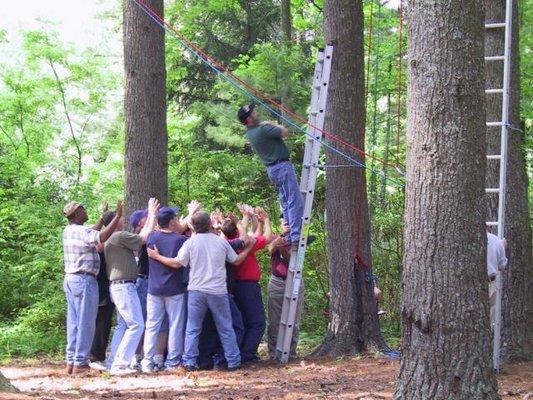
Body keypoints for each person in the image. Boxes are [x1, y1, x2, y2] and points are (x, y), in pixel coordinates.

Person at [148, 211, 254, 371]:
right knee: (225, 326)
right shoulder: (220, 242)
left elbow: (177, 263)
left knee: (192, 328)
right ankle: (233, 361)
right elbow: (236, 260)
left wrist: (157, 257)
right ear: (210, 225)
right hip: (218, 291)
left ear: (193, 226)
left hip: (196, 291)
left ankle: (189, 361)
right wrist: (247, 250)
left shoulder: (190, 243)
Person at [62, 200, 122, 374]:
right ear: (76, 214)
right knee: (86, 322)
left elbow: (92, 231)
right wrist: (116, 217)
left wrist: (103, 218)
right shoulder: (81, 231)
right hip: (84, 281)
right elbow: (100, 237)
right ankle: (80, 363)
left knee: (73, 322)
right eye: (82, 209)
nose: (85, 210)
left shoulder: (69, 230)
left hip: (72, 280)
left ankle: (71, 361)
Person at [105, 198, 159, 375]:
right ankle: (120, 364)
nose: (122, 220)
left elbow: (140, 236)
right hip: (124, 287)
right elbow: (144, 238)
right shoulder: (119, 236)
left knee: (125, 325)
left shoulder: (113, 238)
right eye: (118, 218)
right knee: (136, 325)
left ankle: (115, 361)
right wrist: (151, 213)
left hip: (120, 286)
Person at [237, 103, 304, 247]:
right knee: (293, 200)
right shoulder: (262, 129)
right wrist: (272, 124)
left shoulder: (250, 133)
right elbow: (284, 132)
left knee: (286, 201)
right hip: (282, 166)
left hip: (272, 170)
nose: (256, 112)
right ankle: (296, 235)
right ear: (248, 119)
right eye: (252, 112)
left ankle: (289, 233)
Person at [141, 206, 194, 373]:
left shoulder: (152, 237)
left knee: (152, 325)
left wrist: (151, 214)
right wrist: (191, 216)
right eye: (176, 218)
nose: (178, 220)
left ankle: (147, 362)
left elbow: (149, 231)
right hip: (174, 289)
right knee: (175, 325)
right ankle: (172, 361)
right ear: (171, 221)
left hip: (154, 289)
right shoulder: (180, 240)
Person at [232, 204, 273, 363]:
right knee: (257, 322)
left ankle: (243, 353)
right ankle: (247, 355)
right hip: (248, 286)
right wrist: (267, 220)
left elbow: (255, 234)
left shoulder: (231, 241)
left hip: (236, 286)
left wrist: (254, 219)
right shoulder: (244, 243)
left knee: (243, 321)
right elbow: (267, 237)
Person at [267, 217, 304, 360]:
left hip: (295, 281)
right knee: (275, 321)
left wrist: (282, 248)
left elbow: (293, 263)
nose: (287, 225)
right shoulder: (276, 238)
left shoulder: (300, 240)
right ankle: (273, 353)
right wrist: (276, 244)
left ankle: (291, 353)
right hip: (277, 283)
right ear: (280, 225)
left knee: (293, 320)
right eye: (284, 223)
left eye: (290, 222)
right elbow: (269, 251)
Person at [89, 210, 118, 371]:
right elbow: (98, 246)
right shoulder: (101, 238)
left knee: (105, 321)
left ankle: (98, 355)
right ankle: (95, 355)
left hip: (106, 285)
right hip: (101, 285)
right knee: (101, 321)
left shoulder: (106, 237)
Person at [487, 231, 508, 327]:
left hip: (488, 283)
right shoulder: (495, 240)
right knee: (487, 321)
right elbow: (502, 265)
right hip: (490, 284)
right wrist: (502, 247)